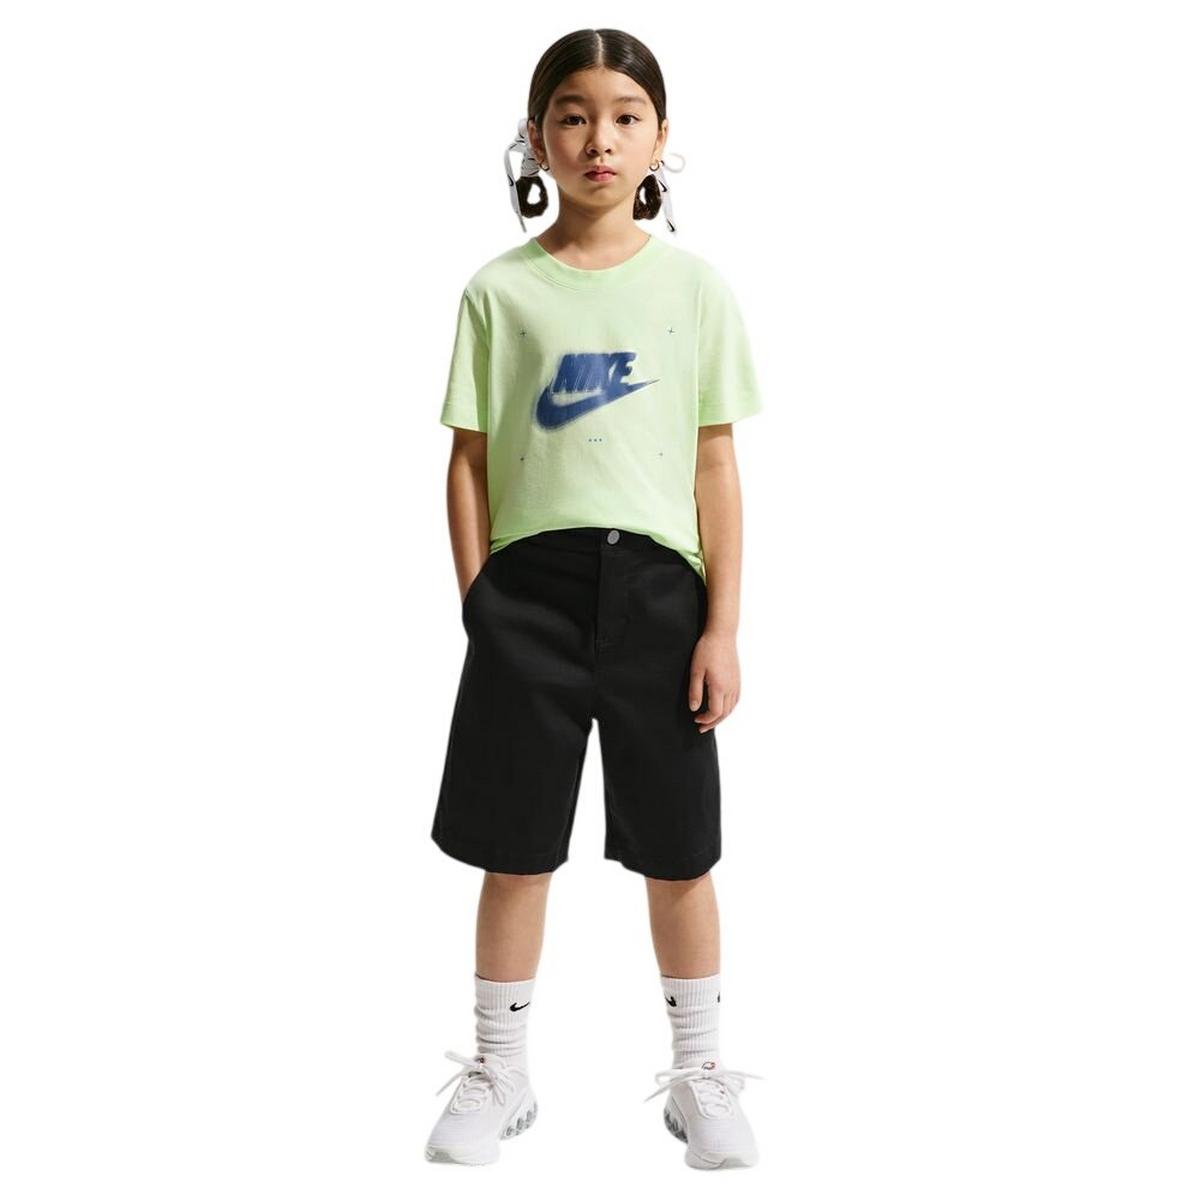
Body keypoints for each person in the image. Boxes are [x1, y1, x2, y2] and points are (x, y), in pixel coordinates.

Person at [424, 28, 765, 1171]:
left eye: (626, 117)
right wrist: (481, 604)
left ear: (662, 140)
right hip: (530, 592)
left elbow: (715, 462)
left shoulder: (694, 290)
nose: (599, 139)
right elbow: (469, 458)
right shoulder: (499, 291)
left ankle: (700, 1072)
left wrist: (721, 624)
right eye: (573, 116)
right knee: (514, 846)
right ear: (538, 138)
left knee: (680, 849)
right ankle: (499, 1071)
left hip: (661, 594)